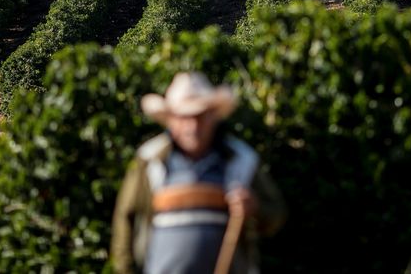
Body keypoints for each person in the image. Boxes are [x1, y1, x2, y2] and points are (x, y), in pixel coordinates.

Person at [111, 71, 287, 274]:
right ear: (171, 120)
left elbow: (276, 214)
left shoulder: (241, 160)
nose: (192, 126)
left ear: (213, 116)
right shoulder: (150, 160)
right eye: (184, 117)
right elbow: (125, 220)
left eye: (200, 116)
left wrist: (254, 207)